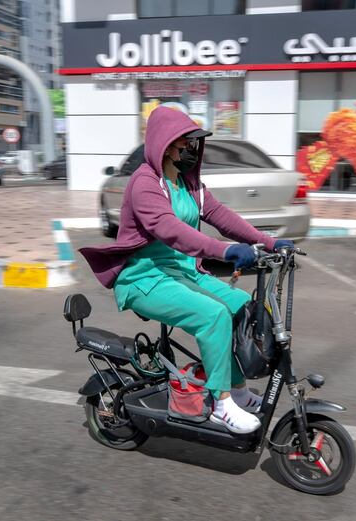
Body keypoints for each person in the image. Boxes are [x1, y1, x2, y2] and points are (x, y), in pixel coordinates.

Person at [80, 107, 293, 434]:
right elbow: (170, 230)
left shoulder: (190, 185)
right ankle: (220, 404)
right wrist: (224, 250)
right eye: (183, 146)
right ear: (163, 146)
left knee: (240, 308)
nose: (190, 152)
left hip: (183, 274)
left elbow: (221, 216)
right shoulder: (145, 184)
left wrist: (268, 242)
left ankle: (236, 389)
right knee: (213, 315)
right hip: (144, 278)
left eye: (193, 145)